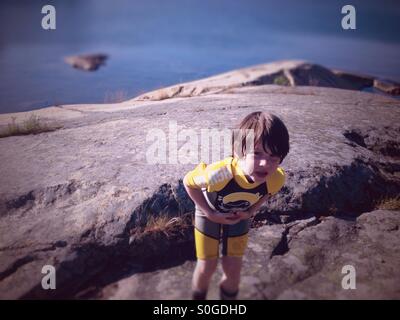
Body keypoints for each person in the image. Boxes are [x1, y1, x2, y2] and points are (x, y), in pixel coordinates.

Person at [183, 111, 290, 300]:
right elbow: (188, 183)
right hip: (209, 212)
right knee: (207, 266)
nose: (265, 163)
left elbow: (266, 193)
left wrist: (250, 211)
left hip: (239, 216)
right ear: (237, 152)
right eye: (256, 153)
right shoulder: (219, 175)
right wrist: (209, 213)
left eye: (274, 157)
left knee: (233, 269)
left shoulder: (276, 178)